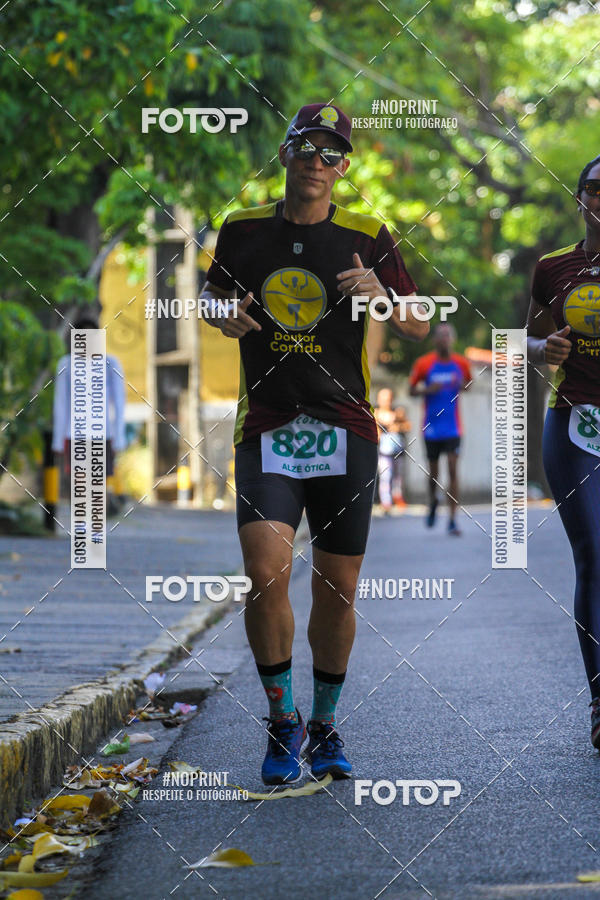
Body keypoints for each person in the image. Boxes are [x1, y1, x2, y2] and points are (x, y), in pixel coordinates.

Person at [201, 102, 429, 784]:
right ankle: (281, 723)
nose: (317, 162)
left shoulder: (369, 233)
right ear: (286, 153)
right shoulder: (241, 231)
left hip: (347, 427)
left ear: (344, 168)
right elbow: (212, 297)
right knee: (263, 568)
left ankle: (325, 725)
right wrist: (222, 316)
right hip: (269, 423)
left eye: (332, 153)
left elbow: (419, 320)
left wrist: (382, 293)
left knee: (338, 587)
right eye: (307, 147)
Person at [526, 154, 600, 748]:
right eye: (596, 189)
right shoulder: (553, 268)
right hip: (576, 422)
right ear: (580, 199)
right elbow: (526, 338)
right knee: (595, 553)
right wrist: (541, 347)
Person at [52, 314, 126, 514]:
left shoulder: (110, 364)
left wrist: (119, 438)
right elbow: (61, 403)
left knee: (97, 483)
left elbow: (119, 403)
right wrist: (58, 441)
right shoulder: (66, 364)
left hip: (102, 435)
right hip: (74, 435)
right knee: (79, 483)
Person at [409, 323, 471, 535]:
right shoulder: (424, 363)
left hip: (453, 428)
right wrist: (428, 389)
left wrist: (462, 385)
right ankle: (433, 500)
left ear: (452, 339)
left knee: (453, 470)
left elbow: (469, 384)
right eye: (440, 336)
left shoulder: (461, 363)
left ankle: (453, 519)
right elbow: (411, 390)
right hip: (431, 428)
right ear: (435, 340)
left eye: (447, 336)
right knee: (433, 473)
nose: (444, 339)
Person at [374, 387, 410, 512]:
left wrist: (397, 427)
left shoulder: (398, 412)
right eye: (383, 399)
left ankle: (398, 497)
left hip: (398, 450)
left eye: (388, 399)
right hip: (384, 452)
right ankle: (386, 502)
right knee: (385, 476)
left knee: (398, 477)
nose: (386, 402)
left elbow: (407, 426)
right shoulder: (375, 414)